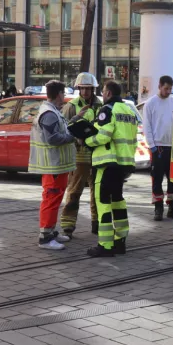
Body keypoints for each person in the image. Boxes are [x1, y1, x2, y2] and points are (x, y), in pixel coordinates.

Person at [84, 80, 138, 257]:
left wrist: (86, 140)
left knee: (103, 204)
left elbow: (103, 136)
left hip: (107, 164)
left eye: (103, 91)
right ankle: (120, 242)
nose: (102, 94)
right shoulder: (129, 111)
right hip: (123, 164)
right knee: (118, 202)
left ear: (108, 93)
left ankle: (105, 245)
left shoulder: (107, 110)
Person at [29, 80, 77, 250]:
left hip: (57, 165)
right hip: (52, 165)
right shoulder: (49, 113)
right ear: (59, 94)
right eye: (63, 93)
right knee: (51, 199)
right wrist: (72, 138)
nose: (64, 97)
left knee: (54, 198)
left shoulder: (53, 111)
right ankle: (45, 237)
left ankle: (50, 231)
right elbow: (53, 139)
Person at [60, 72, 101, 238]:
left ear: (93, 89)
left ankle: (97, 223)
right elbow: (63, 128)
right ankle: (68, 227)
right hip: (79, 157)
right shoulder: (71, 106)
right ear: (78, 89)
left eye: (88, 89)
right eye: (82, 88)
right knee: (74, 192)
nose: (85, 92)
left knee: (97, 193)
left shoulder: (101, 106)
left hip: (97, 156)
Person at [143, 76, 173, 221]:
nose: (168, 91)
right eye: (166, 88)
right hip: (158, 146)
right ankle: (158, 207)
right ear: (159, 86)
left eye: (170, 89)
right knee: (157, 179)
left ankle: (172, 206)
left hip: (172, 146)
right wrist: (152, 146)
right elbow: (147, 126)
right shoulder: (151, 103)